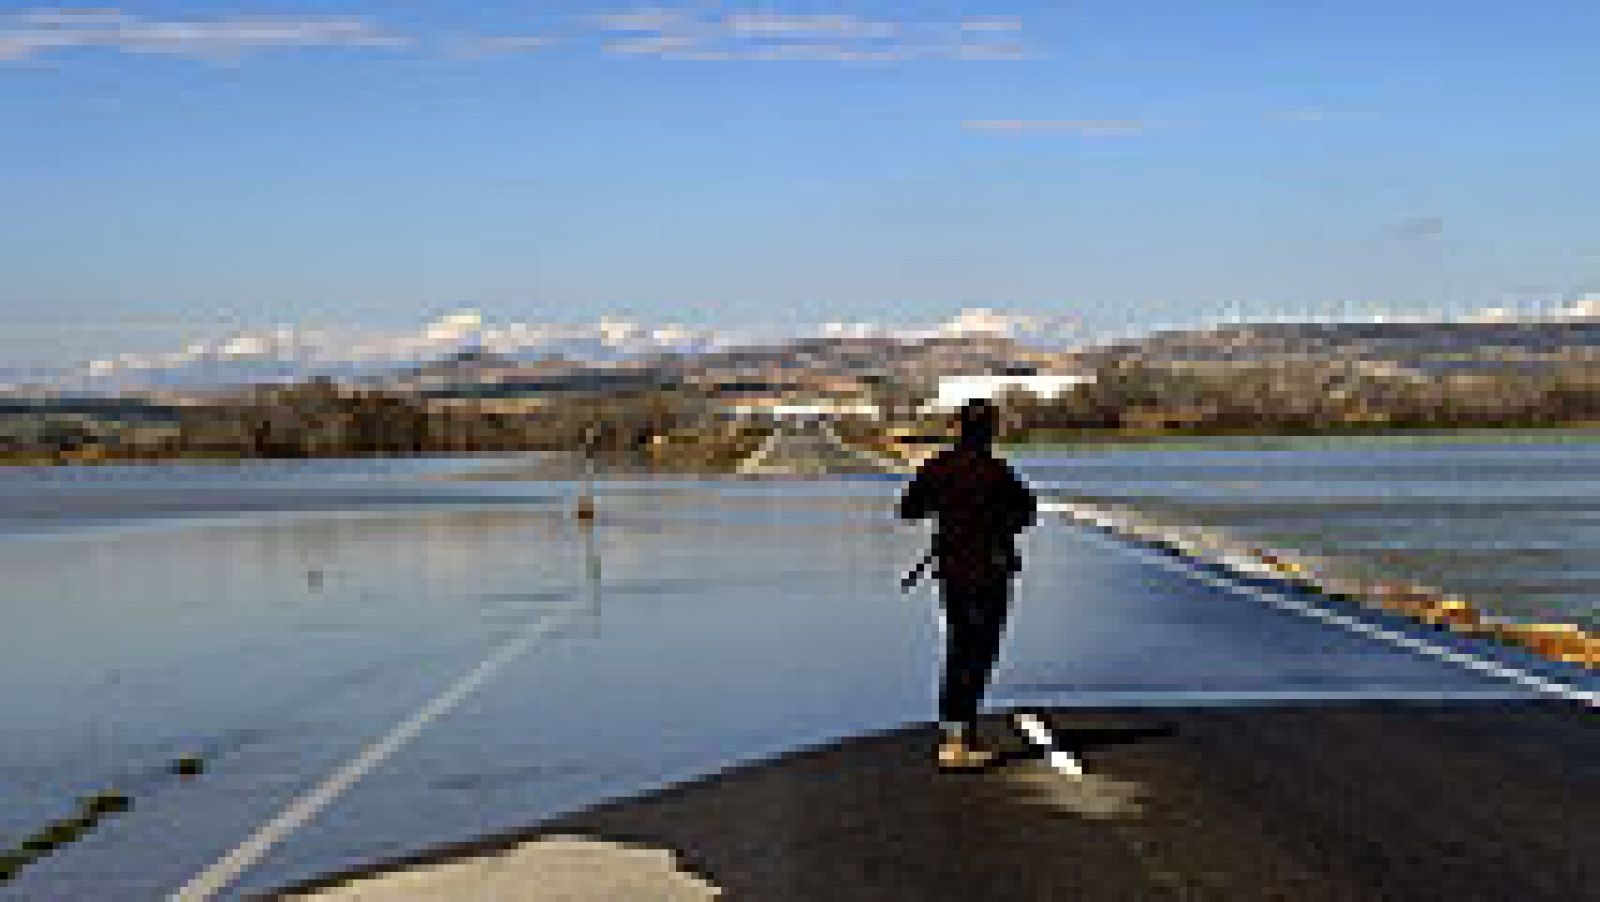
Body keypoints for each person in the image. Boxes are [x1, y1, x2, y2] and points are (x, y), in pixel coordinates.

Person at [897, 398, 1037, 770]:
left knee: (959, 648)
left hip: (952, 573)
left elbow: (908, 510)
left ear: (958, 427)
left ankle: (955, 736)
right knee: (981, 652)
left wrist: (944, 508)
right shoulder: (998, 472)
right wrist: (996, 523)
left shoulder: (938, 468)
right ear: (990, 430)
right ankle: (960, 737)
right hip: (992, 571)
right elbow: (1027, 514)